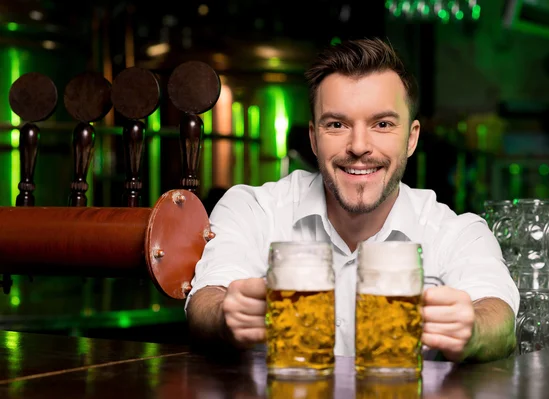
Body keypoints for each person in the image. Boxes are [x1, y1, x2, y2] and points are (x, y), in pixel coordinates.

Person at [186, 37, 519, 363]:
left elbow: (500, 322)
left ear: (411, 139)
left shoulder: (457, 232)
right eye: (337, 124)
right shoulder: (253, 209)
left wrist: (472, 330)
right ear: (314, 139)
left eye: (383, 124)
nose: (359, 146)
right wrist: (227, 315)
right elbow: (206, 301)